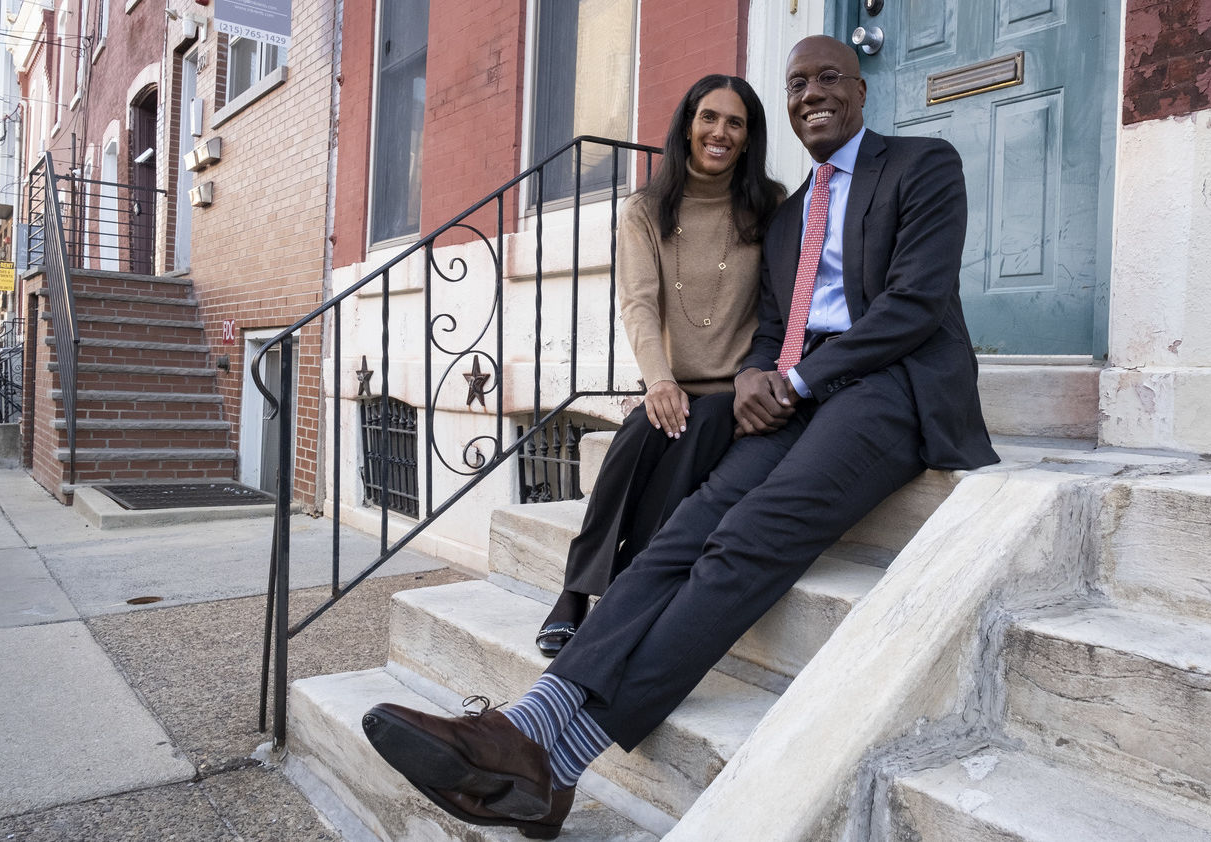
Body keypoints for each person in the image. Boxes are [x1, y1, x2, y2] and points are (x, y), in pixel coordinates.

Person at [361, 35, 999, 839]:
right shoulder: (791, 213)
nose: (811, 95)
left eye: (828, 78)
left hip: (890, 387)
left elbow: (915, 304)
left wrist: (792, 379)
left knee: (747, 540)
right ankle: (531, 725)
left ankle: (554, 765)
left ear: (863, 91)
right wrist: (758, 378)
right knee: (681, 532)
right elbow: (773, 326)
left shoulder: (921, 164)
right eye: (797, 84)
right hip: (800, 391)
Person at [536, 74, 785, 658]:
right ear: (687, 125)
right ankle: (577, 589)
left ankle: (621, 587)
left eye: (735, 122)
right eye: (709, 118)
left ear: (748, 139)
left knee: (692, 433)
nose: (720, 132)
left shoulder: (770, 205)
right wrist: (660, 381)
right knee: (637, 434)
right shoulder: (646, 210)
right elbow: (639, 304)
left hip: (737, 388)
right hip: (673, 383)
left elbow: (783, 304)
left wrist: (761, 372)